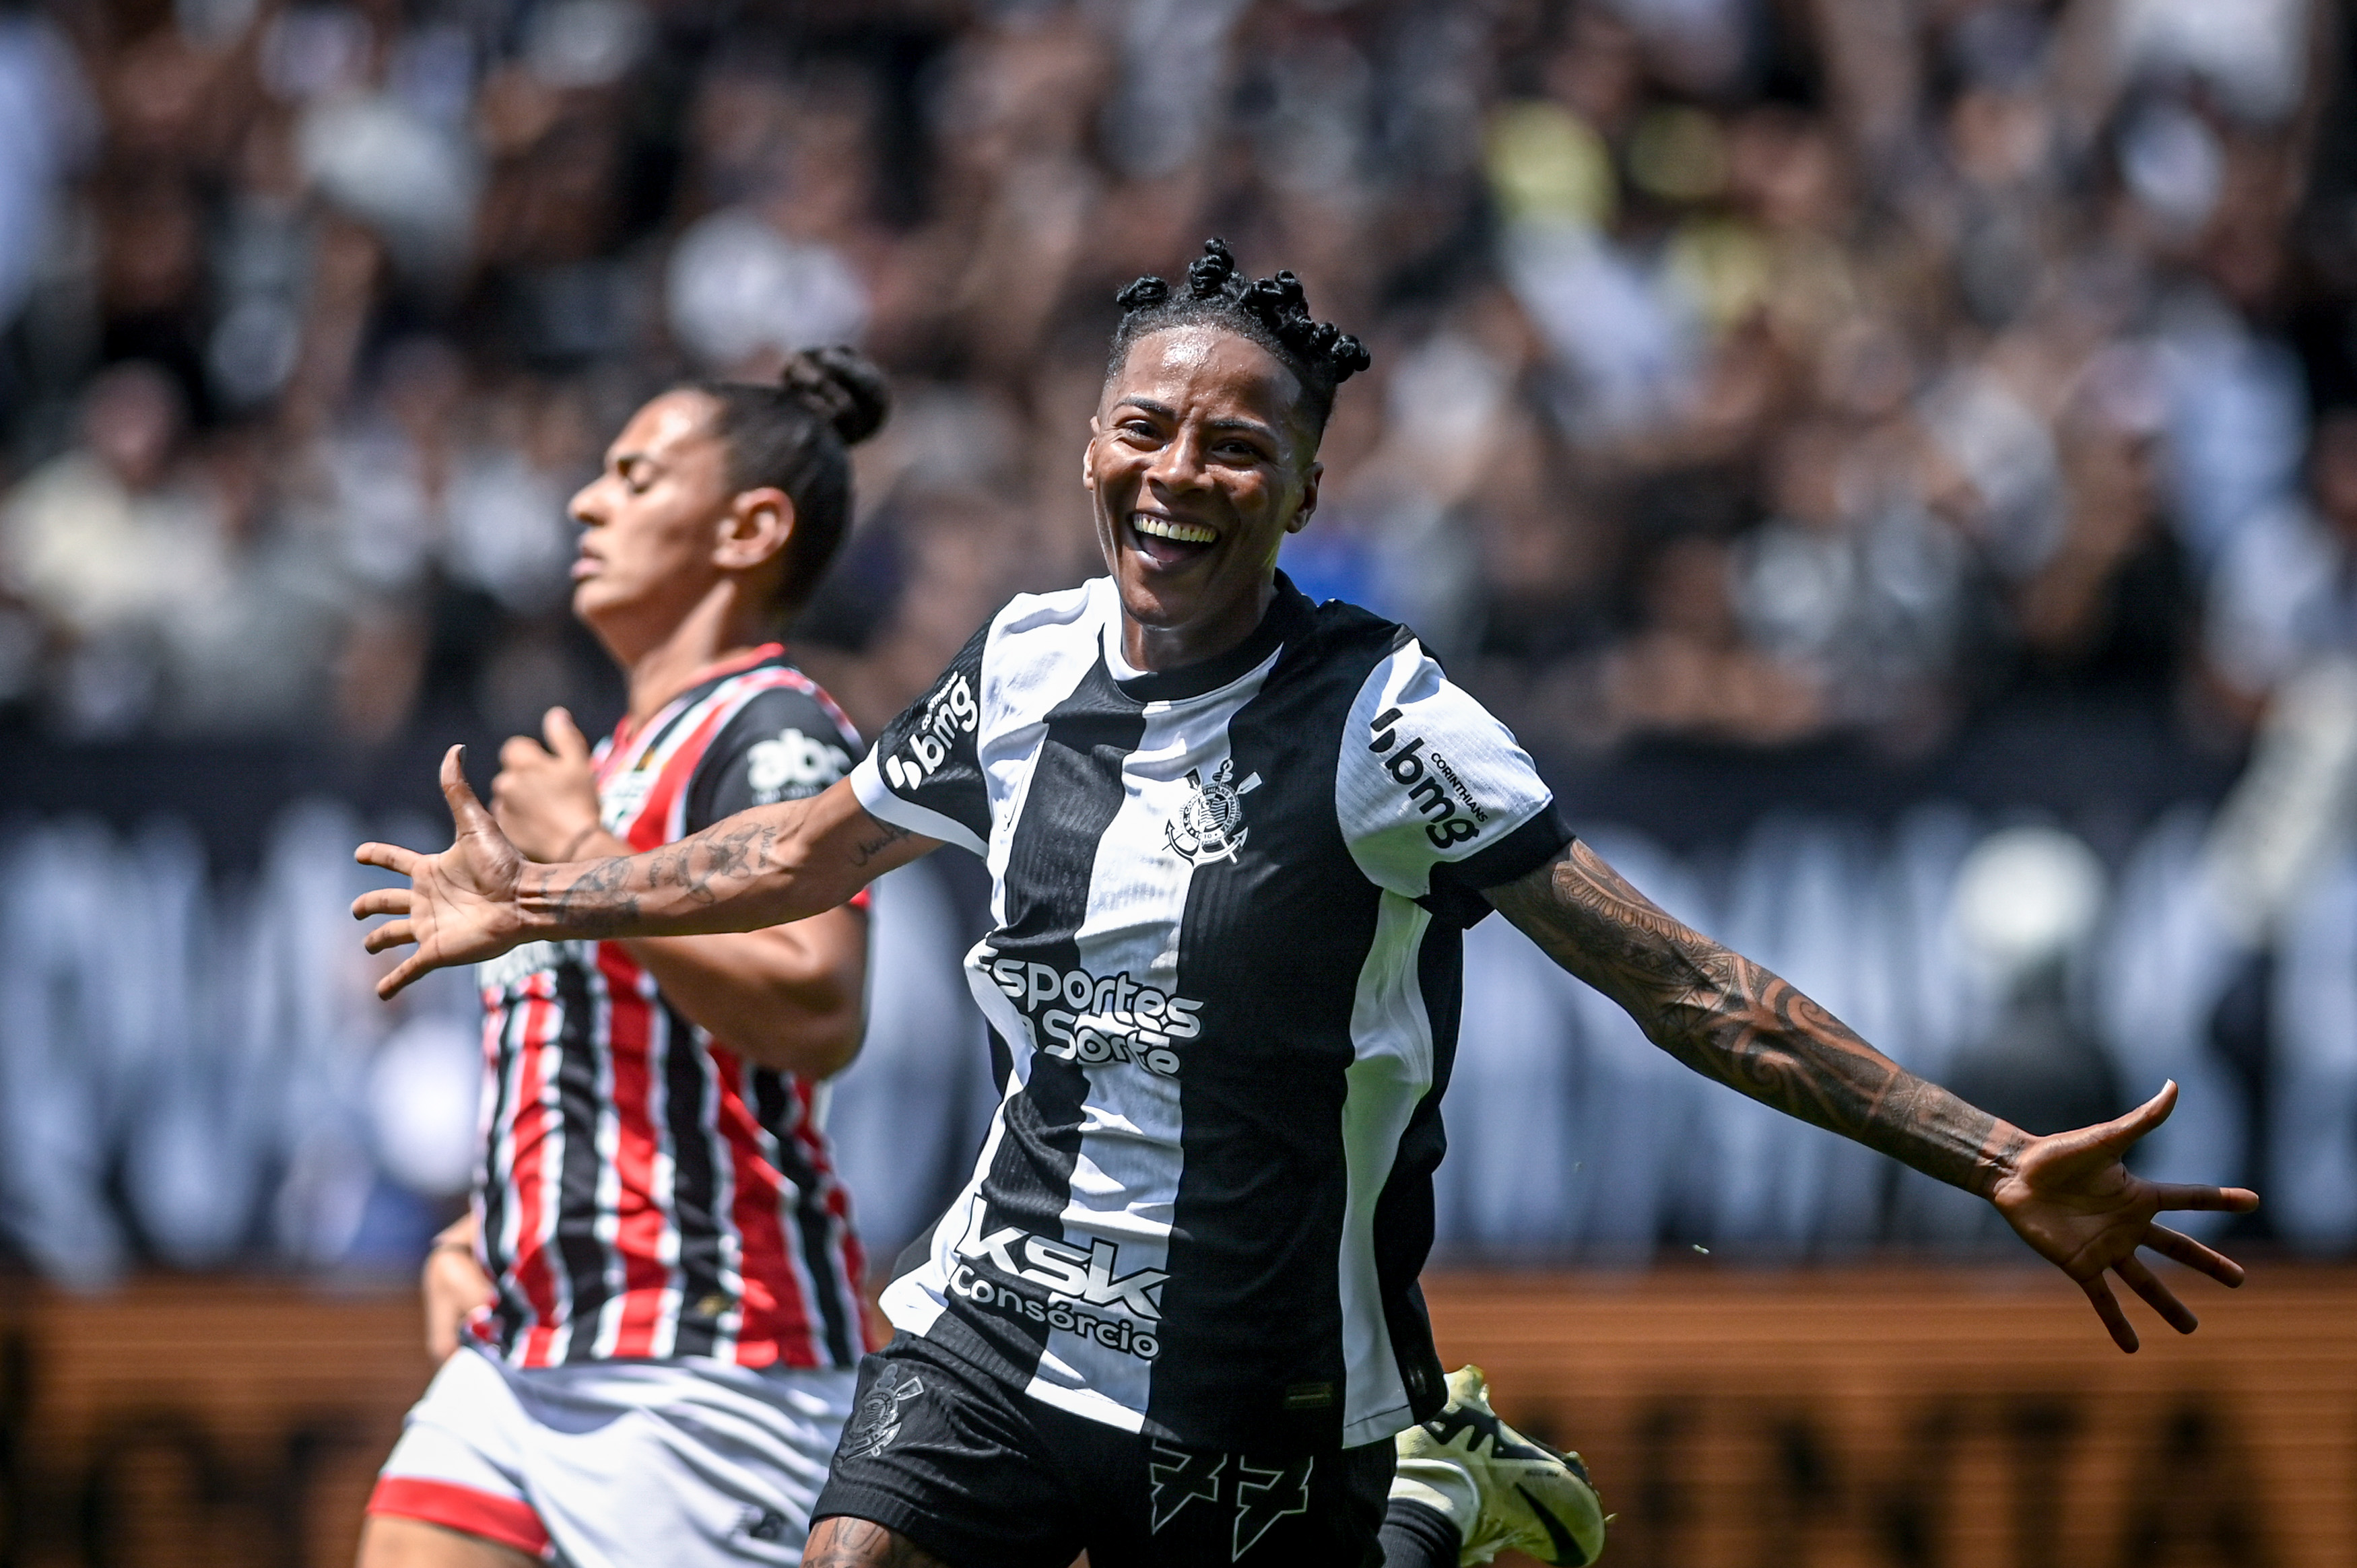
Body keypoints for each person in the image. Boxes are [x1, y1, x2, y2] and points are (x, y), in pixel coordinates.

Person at [353, 242, 2258, 1568]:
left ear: (1301, 486)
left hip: (1256, 1385)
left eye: (1234, 446)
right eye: (1144, 431)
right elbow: (803, 854)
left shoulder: (1390, 723)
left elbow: (1688, 990)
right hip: (992, 1329)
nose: (1178, 471)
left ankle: (1418, 1492)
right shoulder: (1017, 664)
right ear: (1090, 446)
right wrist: (553, 898)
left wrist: (1985, 1151)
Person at [358, 347, 891, 1568]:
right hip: (526, 1341)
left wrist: (580, 862)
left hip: (711, 1355)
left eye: (637, 477)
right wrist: (484, 1226)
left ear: (751, 527)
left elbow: (819, 1002)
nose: (588, 503)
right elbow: (590, 1054)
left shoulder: (776, 724)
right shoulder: (608, 753)